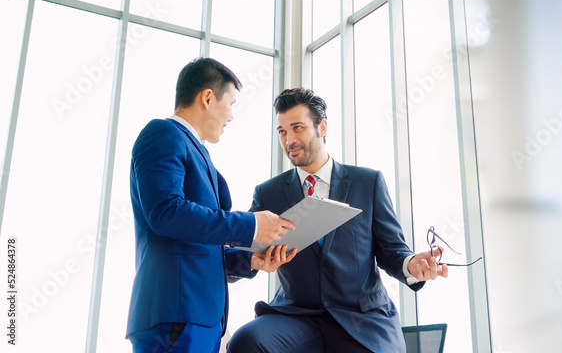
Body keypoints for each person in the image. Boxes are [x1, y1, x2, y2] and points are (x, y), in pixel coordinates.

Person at [228, 88, 448, 353]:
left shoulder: (368, 183)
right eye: (282, 132)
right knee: (245, 342)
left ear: (322, 126)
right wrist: (252, 261)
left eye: (297, 128)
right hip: (296, 316)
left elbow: (391, 250)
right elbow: (245, 251)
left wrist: (412, 264)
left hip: (361, 318)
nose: (289, 140)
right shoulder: (268, 193)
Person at [127, 57, 297, 353]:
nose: (230, 116)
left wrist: (251, 261)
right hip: (176, 317)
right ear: (207, 97)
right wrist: (252, 224)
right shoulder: (164, 134)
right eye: (230, 103)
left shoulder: (200, 154)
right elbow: (166, 212)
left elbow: (203, 243)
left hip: (199, 320)